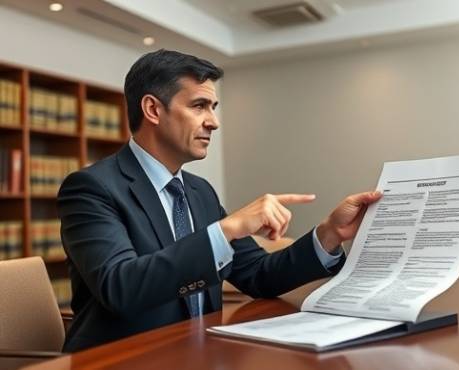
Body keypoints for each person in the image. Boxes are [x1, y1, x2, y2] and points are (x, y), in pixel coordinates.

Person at [57, 49, 382, 352]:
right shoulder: (91, 188)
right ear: (153, 109)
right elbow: (120, 287)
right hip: (126, 357)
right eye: (199, 106)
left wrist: (328, 234)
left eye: (213, 108)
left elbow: (258, 274)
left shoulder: (200, 192)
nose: (213, 122)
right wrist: (226, 230)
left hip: (201, 352)